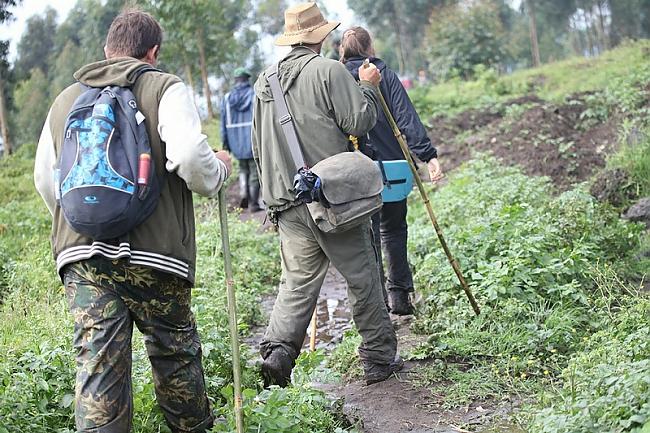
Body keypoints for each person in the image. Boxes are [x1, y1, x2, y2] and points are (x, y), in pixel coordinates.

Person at [33, 9, 231, 433]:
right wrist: (218, 174)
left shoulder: (64, 101)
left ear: (107, 50)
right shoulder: (165, 88)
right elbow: (191, 158)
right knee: (174, 352)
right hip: (155, 257)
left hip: (82, 257)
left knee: (97, 365)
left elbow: (44, 179)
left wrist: (82, 220)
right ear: (153, 52)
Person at [251, 2, 401, 388]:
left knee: (296, 284)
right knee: (362, 275)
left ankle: (278, 356)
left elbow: (256, 148)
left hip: (285, 203)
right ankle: (379, 359)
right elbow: (360, 121)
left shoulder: (263, 82)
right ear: (320, 35)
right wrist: (368, 87)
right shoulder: (328, 71)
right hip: (329, 198)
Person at [339, 26, 443, 315]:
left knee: (367, 237)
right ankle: (400, 297)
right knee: (394, 230)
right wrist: (428, 157)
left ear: (342, 51)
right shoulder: (384, 75)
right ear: (370, 47)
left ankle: (378, 303)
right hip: (393, 168)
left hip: (354, 171)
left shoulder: (336, 79)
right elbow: (406, 118)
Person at [220, 67, 261, 212]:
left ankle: (244, 193)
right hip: (252, 140)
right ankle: (254, 204)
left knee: (243, 168)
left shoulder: (226, 99)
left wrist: (225, 143)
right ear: (247, 79)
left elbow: (223, 124)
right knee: (255, 171)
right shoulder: (254, 95)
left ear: (236, 81)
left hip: (235, 142)